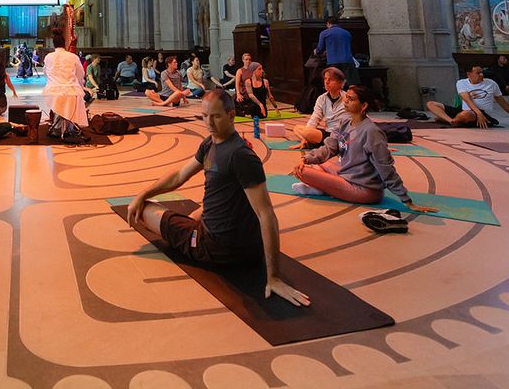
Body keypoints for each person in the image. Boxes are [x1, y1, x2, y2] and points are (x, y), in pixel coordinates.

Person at [127, 89, 309, 307]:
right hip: (243, 244)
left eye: (216, 116)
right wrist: (143, 193)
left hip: (216, 247)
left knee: (146, 210)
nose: (209, 123)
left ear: (231, 116)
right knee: (195, 212)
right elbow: (179, 175)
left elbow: (266, 213)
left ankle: (191, 234)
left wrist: (274, 277)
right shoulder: (210, 143)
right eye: (205, 116)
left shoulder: (241, 156)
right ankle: (192, 225)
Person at [292, 85, 438, 211]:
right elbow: (329, 147)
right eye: (346, 97)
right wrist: (306, 158)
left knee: (303, 172)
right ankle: (323, 187)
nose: (346, 101)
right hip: (347, 174)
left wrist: (407, 200)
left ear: (363, 106)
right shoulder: (345, 121)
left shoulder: (371, 132)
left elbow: (386, 168)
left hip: (364, 189)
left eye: (352, 99)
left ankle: (322, 187)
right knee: (311, 165)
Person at [426, 65, 509, 128]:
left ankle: (450, 120)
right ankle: (451, 121)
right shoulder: (461, 83)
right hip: (467, 110)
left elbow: (502, 102)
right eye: (478, 73)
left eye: (482, 73)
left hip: (480, 113)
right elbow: (467, 99)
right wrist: (478, 112)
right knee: (431, 104)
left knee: (466, 114)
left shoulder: (491, 83)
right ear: (469, 74)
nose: (481, 75)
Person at [41, 27, 90, 138]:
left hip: (52, 91)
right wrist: (80, 85)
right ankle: (69, 126)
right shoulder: (73, 57)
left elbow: (46, 73)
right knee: (74, 96)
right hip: (71, 90)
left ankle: (58, 127)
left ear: (53, 44)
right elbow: (80, 74)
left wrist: (53, 82)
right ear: (65, 43)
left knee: (60, 99)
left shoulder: (48, 57)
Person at [291, 67, 348, 148]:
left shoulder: (347, 98)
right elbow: (315, 118)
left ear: (340, 83)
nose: (327, 82)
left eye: (331, 79)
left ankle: (316, 142)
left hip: (340, 134)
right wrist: (306, 135)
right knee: (297, 128)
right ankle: (309, 141)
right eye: (325, 79)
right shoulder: (322, 98)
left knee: (306, 132)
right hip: (327, 132)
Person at [315, 17, 356, 85]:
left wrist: (316, 51)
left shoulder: (324, 33)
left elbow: (319, 49)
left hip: (333, 62)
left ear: (328, 23)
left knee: (335, 84)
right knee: (349, 84)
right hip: (348, 62)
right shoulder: (347, 33)